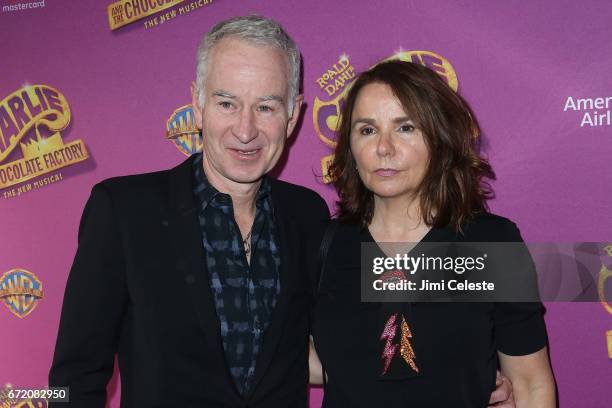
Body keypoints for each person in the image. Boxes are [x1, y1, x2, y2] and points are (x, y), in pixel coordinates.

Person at [49, 14, 515, 408]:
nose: (246, 130)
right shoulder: (125, 211)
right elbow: (74, 377)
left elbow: (361, 322)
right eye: (227, 102)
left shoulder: (310, 217)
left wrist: (462, 373)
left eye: (266, 107)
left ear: (293, 116)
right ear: (196, 103)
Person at [310, 60, 556, 407]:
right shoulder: (325, 246)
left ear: (438, 137)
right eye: (367, 130)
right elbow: (303, 358)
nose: (384, 147)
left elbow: (531, 385)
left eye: (405, 127)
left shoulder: (488, 244)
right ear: (350, 147)